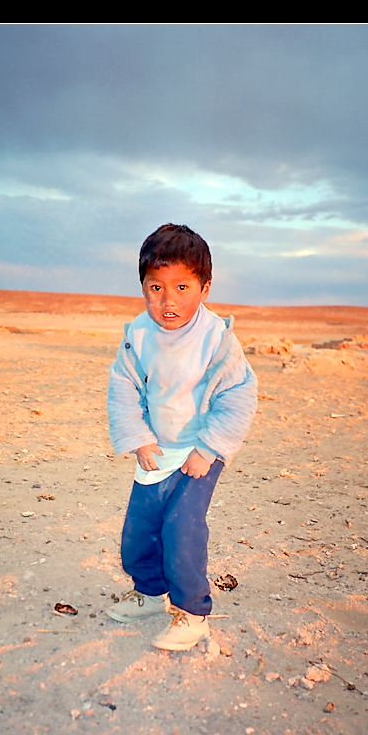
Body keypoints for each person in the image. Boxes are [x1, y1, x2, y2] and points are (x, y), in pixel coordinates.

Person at [106, 223, 257, 651]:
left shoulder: (216, 339)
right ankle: (150, 594)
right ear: (143, 286)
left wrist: (208, 449)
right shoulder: (138, 334)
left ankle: (192, 613)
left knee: (181, 529)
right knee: (139, 529)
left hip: (199, 452)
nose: (167, 301)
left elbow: (240, 395)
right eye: (155, 287)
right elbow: (124, 386)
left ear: (205, 288)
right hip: (156, 449)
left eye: (182, 287)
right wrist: (138, 437)